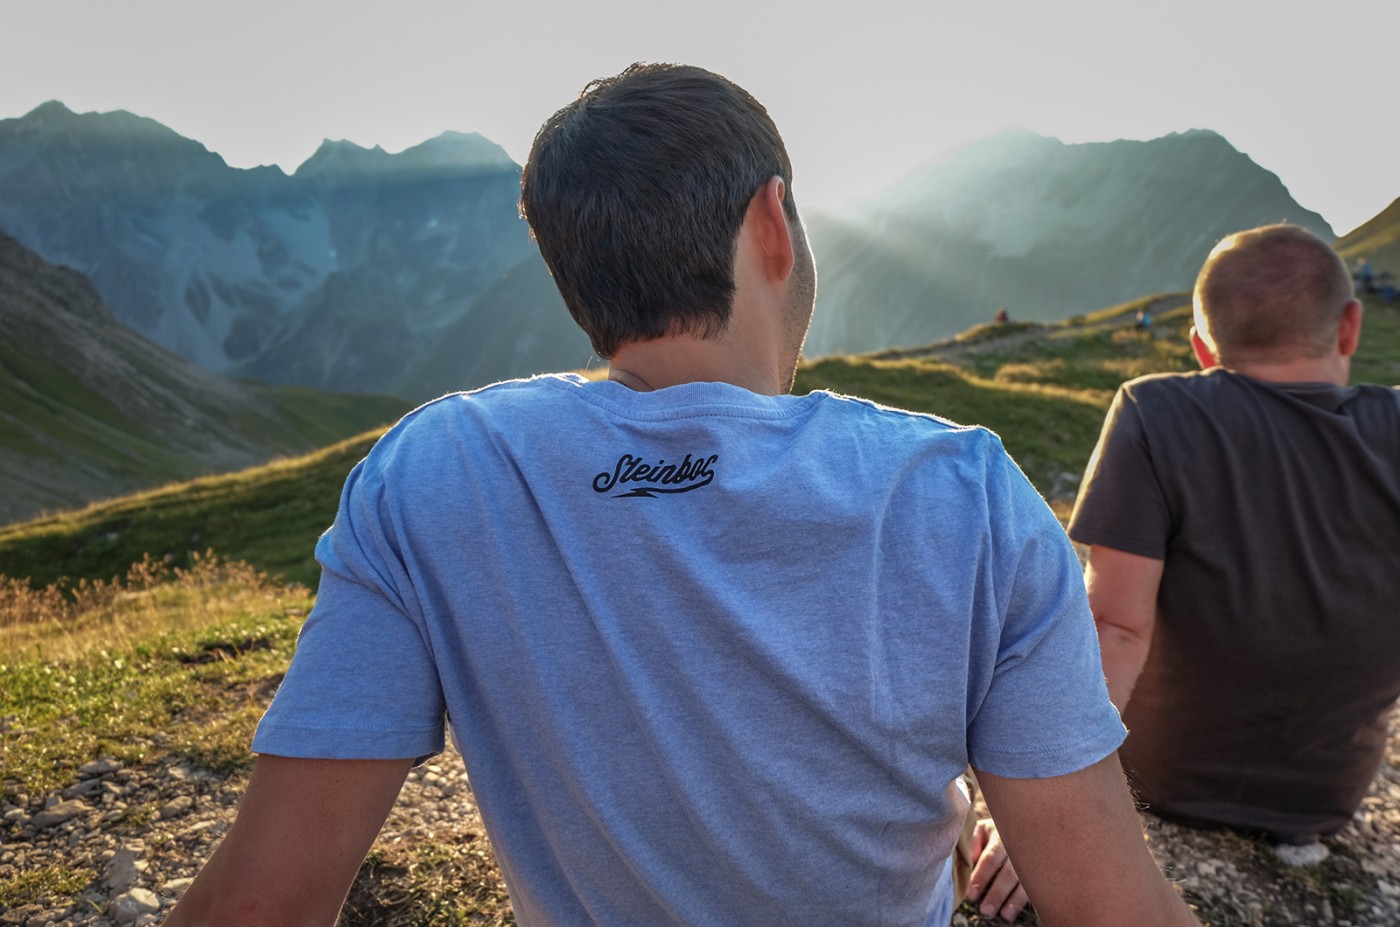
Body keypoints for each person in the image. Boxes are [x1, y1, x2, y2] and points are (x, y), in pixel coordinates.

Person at [165, 63, 1196, 927]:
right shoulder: (959, 489)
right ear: (773, 223)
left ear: (567, 266)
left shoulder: (438, 471)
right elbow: (1109, 907)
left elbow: (266, 902)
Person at [1067, 224, 1400, 861]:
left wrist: (1060, 813)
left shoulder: (1156, 411)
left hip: (1157, 779)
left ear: (1202, 348)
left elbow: (1114, 626)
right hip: (1322, 802)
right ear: (1350, 326)